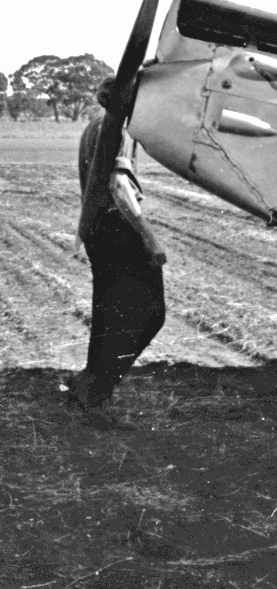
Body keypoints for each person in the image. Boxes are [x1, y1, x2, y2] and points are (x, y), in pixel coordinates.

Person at [74, 80, 166, 429]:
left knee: (108, 313)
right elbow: (119, 186)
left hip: (98, 232)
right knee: (150, 314)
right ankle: (98, 393)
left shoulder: (93, 127)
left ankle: (89, 386)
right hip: (119, 231)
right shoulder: (119, 130)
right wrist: (151, 239)